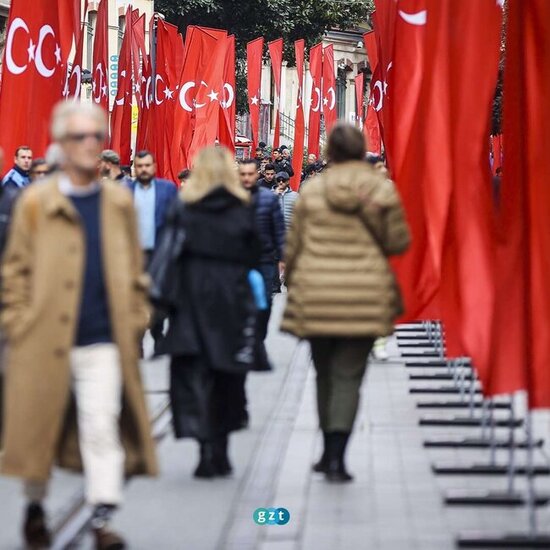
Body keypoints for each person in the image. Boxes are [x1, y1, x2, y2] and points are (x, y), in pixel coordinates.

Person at [0, 101, 158, 549]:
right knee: (40, 431)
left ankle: (102, 519)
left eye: (96, 137)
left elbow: (132, 268)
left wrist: (134, 317)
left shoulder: (117, 202)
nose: (90, 145)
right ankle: (35, 505)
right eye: (80, 138)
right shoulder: (35, 202)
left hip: (102, 338)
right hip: (43, 340)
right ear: (61, 145)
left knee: (101, 425)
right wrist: (17, 321)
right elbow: (14, 271)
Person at [281, 124, 410, 483]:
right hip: (364, 296)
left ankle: (326, 451)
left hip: (318, 294)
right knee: (349, 377)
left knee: (324, 374)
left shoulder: (311, 191)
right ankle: (337, 457)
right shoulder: (381, 191)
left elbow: (293, 248)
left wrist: (292, 283)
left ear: (329, 152)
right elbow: (399, 242)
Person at [154, 147, 263, 479]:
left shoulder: (184, 207)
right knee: (227, 374)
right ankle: (222, 448)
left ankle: (204, 449)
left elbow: (167, 252)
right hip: (230, 298)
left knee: (194, 375)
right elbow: (254, 255)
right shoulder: (242, 208)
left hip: (191, 299)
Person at [239, 159, 285, 339]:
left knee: (265, 300)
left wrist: (282, 257)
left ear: (256, 174)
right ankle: (243, 338)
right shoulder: (231, 199)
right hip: (239, 259)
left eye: (250, 174)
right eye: (243, 174)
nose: (247, 178)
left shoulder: (269, 199)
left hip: (265, 257)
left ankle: (259, 338)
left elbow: (278, 230)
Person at [126, 150, 178, 267]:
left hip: (160, 253)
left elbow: (176, 219)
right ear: (135, 168)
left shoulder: (167, 189)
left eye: (147, 165)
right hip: (133, 254)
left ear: (154, 166)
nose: (144, 169)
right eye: (140, 166)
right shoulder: (126, 191)